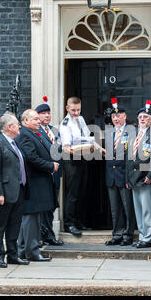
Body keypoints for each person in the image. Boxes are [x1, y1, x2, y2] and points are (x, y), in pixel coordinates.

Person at [16, 109, 58, 262]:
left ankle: (22, 250)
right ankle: (32, 251)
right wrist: (50, 166)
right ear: (26, 121)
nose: (38, 121)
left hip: (38, 183)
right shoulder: (26, 135)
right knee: (31, 218)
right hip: (33, 183)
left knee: (31, 218)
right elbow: (31, 158)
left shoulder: (33, 133)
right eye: (34, 119)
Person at [0, 113, 29, 268]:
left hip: (18, 190)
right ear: (10, 127)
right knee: (1, 225)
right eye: (17, 124)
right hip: (4, 192)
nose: (19, 126)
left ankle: (13, 254)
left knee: (15, 225)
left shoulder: (14, 143)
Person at [59, 97, 94, 236]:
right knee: (72, 193)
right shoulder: (65, 124)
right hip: (72, 160)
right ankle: (69, 223)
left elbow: (87, 136)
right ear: (67, 108)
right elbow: (66, 148)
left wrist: (92, 148)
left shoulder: (81, 119)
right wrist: (79, 152)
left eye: (78, 109)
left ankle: (79, 221)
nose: (76, 112)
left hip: (82, 158)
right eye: (73, 110)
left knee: (81, 192)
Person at [126, 100, 151, 248]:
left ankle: (149, 238)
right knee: (138, 210)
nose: (143, 119)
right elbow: (128, 158)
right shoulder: (133, 135)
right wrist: (128, 178)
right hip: (134, 179)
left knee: (147, 210)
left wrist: (150, 175)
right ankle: (142, 237)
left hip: (145, 179)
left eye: (146, 117)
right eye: (140, 117)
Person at [104, 98, 136, 246]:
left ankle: (128, 234)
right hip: (111, 176)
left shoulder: (131, 132)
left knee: (127, 207)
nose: (116, 119)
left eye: (119, 116)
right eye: (113, 117)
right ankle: (117, 234)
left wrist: (130, 178)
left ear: (124, 116)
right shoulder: (110, 132)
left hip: (125, 176)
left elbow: (132, 157)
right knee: (115, 208)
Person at [35, 97, 64, 246]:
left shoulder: (54, 130)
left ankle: (48, 235)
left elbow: (59, 151)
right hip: (44, 173)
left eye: (48, 113)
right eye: (43, 113)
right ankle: (42, 235)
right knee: (43, 206)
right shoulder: (36, 131)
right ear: (37, 115)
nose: (47, 116)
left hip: (55, 174)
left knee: (52, 205)